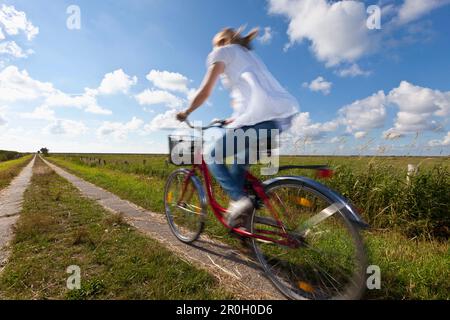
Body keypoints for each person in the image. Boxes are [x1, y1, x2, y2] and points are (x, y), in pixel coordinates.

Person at [177, 27, 299, 228]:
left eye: (216, 43)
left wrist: (186, 112)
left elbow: (206, 91)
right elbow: (252, 95)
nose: (215, 48)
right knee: (237, 172)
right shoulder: (250, 55)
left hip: (256, 123)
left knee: (211, 155)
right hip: (275, 122)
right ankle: (241, 225)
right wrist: (230, 119)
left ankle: (241, 202)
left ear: (223, 40)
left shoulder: (224, 51)